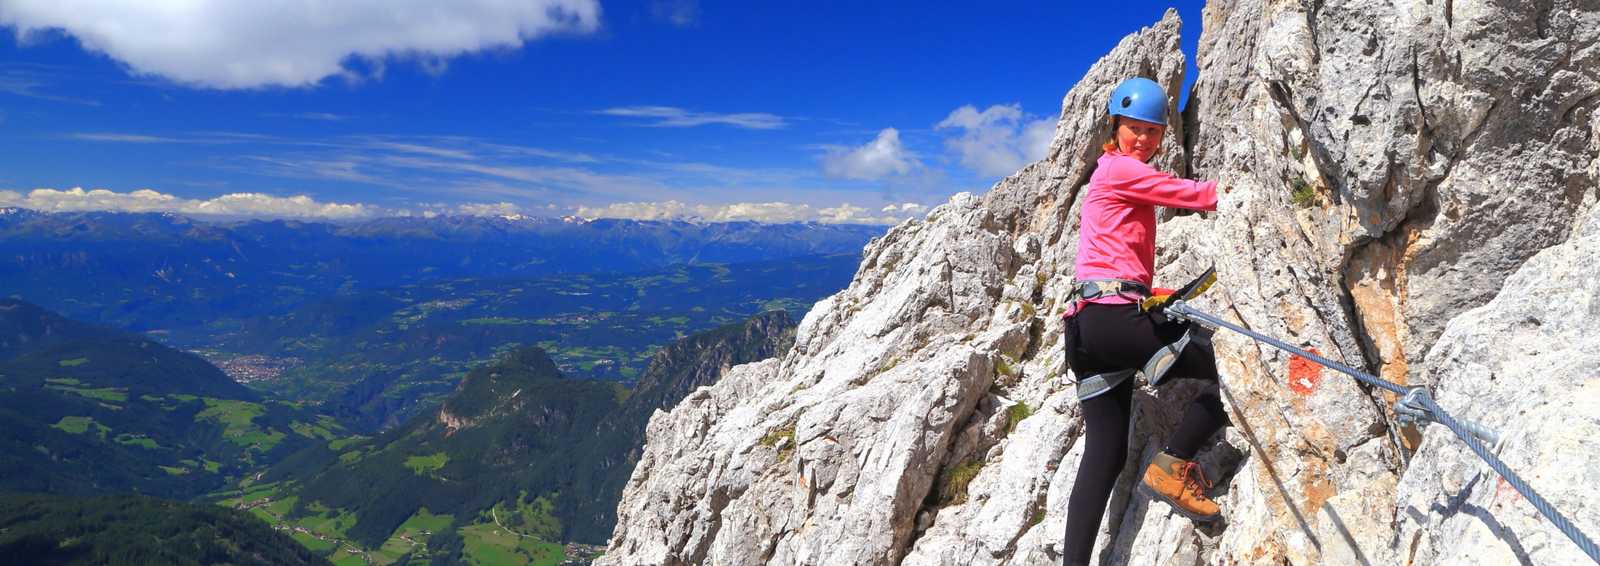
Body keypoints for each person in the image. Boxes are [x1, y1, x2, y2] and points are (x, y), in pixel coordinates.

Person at [1059, 77, 1229, 565]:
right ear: (1114, 127)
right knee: (1236, 370)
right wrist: (1240, 189)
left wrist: (1150, 294)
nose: (1144, 140)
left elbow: (1109, 262)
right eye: (1134, 128)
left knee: (1106, 454)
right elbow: (1192, 195)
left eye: (1153, 132)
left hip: (1087, 330)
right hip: (1113, 322)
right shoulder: (1118, 170)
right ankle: (1173, 462)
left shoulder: (1107, 175)